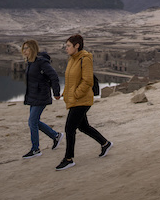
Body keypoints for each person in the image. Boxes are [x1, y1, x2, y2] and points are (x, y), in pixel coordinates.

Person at [56, 35, 112, 171]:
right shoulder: (72, 59)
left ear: (77, 46)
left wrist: (75, 95)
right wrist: (65, 93)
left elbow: (87, 81)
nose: (66, 48)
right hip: (76, 99)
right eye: (66, 46)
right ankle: (105, 143)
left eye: (68, 46)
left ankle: (68, 159)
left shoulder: (85, 59)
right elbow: (71, 80)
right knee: (83, 126)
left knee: (69, 128)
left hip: (82, 100)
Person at [21, 40, 63, 159]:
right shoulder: (30, 62)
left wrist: (56, 92)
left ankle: (35, 149)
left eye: (27, 48)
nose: (24, 51)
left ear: (33, 49)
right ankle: (55, 136)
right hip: (33, 96)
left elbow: (53, 76)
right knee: (34, 121)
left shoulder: (41, 62)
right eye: (23, 48)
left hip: (41, 95)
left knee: (32, 122)